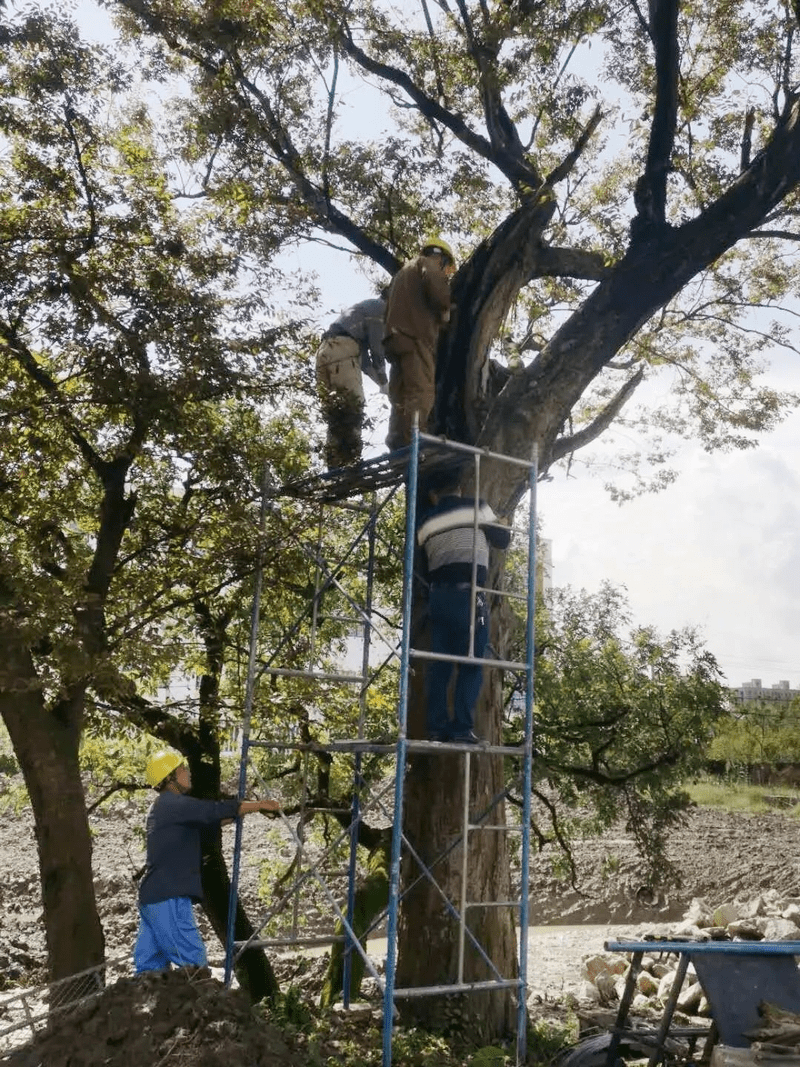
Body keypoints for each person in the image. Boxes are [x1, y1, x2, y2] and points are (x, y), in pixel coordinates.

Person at [134, 750, 280, 974]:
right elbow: (211, 811)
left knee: (150, 972)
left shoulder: (164, 808)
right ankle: (201, 1008)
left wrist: (243, 812)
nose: (188, 773)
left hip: (152, 898)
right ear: (170, 778)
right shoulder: (174, 804)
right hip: (169, 896)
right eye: (182, 769)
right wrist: (258, 805)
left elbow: (209, 819)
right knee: (194, 966)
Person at [417, 472, 512, 743]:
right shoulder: (477, 506)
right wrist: (500, 522)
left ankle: (436, 727)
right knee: (471, 662)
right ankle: (460, 728)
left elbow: (423, 566)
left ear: (434, 495)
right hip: (471, 597)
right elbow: (502, 541)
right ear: (459, 488)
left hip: (439, 598)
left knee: (441, 665)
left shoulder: (425, 521)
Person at [383, 238, 455, 451]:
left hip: (394, 340)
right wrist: (447, 307)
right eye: (447, 267)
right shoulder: (429, 264)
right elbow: (439, 294)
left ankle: (397, 442)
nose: (446, 273)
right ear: (441, 258)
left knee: (400, 397)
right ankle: (415, 443)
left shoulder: (402, 273)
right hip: (415, 338)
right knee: (421, 393)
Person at [316, 296, 389, 469]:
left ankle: (334, 466)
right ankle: (351, 463)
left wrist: (380, 384)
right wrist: (384, 380)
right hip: (342, 351)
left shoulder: (358, 315)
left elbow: (364, 364)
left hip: (325, 351)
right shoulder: (380, 308)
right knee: (353, 406)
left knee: (336, 412)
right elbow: (377, 349)